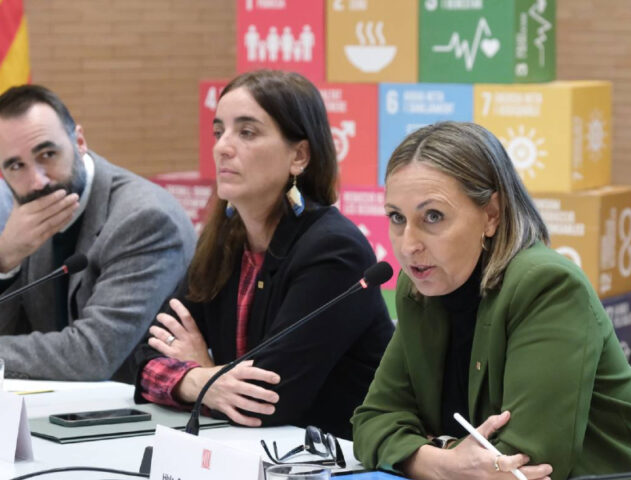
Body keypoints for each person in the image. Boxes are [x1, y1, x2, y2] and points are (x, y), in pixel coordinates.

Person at [352, 122, 631, 479]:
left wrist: (425, 449)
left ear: (491, 215)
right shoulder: (420, 289)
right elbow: (371, 421)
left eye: (433, 216)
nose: (408, 245)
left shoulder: (547, 286)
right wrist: (443, 463)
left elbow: (527, 461)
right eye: (397, 217)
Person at [134, 69, 394, 440]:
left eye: (247, 132)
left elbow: (266, 401)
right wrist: (204, 379)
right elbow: (145, 359)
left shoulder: (335, 251)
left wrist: (199, 373)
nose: (222, 147)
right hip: (250, 450)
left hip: (336, 457)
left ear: (299, 156)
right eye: (219, 131)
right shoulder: (224, 240)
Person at [0, 85, 196, 382]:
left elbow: (93, 354)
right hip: (59, 403)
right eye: (16, 166)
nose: (37, 181)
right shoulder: (27, 218)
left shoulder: (144, 219)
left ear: (79, 141)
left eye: (48, 154)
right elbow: (13, 334)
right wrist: (5, 261)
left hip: (136, 406)